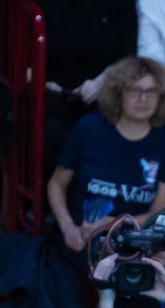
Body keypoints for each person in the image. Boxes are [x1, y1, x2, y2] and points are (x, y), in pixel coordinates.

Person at [47, 56, 165, 308]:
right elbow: (56, 185)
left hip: (137, 235)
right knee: (76, 261)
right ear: (118, 94)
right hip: (82, 236)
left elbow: (161, 207)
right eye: (134, 91)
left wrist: (117, 224)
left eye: (151, 91)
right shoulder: (89, 129)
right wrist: (68, 227)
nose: (143, 99)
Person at [41, 1, 138, 177]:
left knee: (107, 127)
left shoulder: (122, 4)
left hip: (105, 87)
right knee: (52, 132)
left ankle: (95, 200)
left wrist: (100, 83)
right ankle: (52, 200)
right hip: (51, 91)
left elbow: (127, 55)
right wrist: (45, 81)